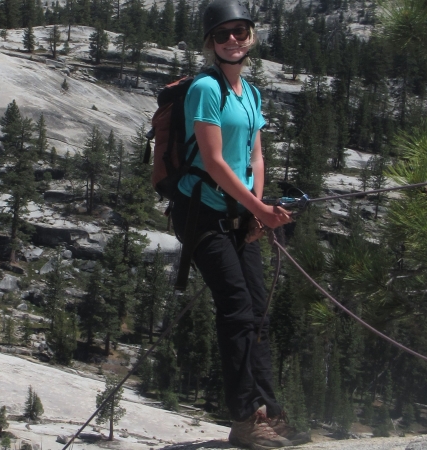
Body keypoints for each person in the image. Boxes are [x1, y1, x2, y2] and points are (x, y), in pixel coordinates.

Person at [170, 1, 309, 449]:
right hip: (203, 214)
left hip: (239, 214)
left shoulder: (250, 93)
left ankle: (269, 411)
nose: (232, 39)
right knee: (236, 311)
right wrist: (257, 208)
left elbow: (255, 156)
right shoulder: (206, 90)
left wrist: (256, 209)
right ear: (210, 41)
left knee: (257, 313)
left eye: (240, 31)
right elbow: (212, 161)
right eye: (222, 33)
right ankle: (245, 419)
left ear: (250, 36)